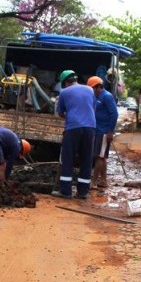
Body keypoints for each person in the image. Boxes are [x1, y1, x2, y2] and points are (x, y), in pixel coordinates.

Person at [52, 70, 97, 199]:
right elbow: (93, 108)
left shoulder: (64, 92)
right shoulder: (89, 90)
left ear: (66, 82)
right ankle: (83, 192)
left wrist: (71, 114)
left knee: (68, 159)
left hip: (73, 128)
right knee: (86, 159)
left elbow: (60, 112)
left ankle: (65, 191)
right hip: (90, 127)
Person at [88, 76, 119, 189]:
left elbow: (114, 114)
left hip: (104, 131)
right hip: (98, 130)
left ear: (97, 87)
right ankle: (104, 180)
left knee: (99, 157)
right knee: (101, 156)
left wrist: (110, 131)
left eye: (92, 88)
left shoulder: (106, 96)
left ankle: (94, 182)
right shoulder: (97, 96)